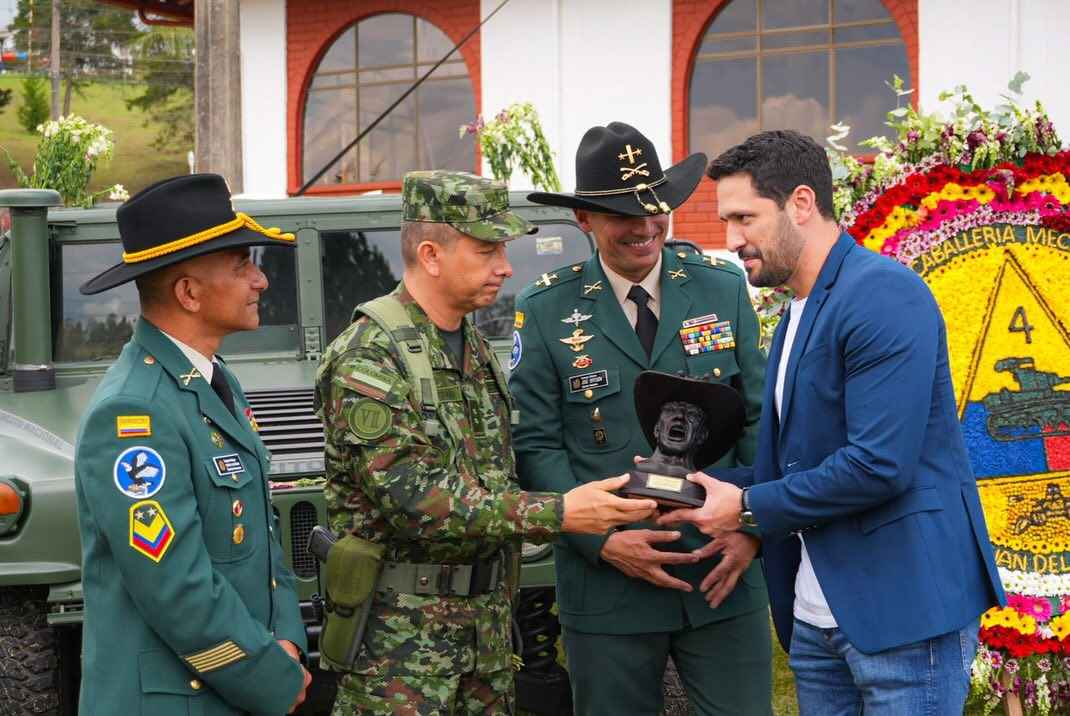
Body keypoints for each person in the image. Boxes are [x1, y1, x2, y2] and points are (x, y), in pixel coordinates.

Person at [659, 130, 1005, 715]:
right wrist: (701, 488)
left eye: (744, 217)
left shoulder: (883, 295)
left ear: (801, 202)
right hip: (817, 615)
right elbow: (801, 462)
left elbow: (878, 466)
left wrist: (745, 510)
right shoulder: (798, 305)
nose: (731, 239)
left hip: (903, 615)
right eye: (726, 220)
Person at [315, 170, 657, 715]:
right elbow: (415, 499)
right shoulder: (369, 356)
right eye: (486, 250)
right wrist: (562, 511)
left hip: (484, 640)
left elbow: (492, 471)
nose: (505, 266)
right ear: (431, 255)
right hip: (401, 654)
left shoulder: (470, 343)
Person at [511, 122, 771, 716]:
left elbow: (761, 421)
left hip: (721, 570)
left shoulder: (720, 288)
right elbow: (536, 446)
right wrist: (603, 543)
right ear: (584, 220)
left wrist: (751, 528)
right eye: (624, 215)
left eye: (655, 210)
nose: (646, 228)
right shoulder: (545, 309)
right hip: (607, 589)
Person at [74, 174, 312, 715]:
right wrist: (270, 674)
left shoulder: (212, 380)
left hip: (233, 688)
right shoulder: (133, 411)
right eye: (241, 266)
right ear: (189, 292)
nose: (260, 281)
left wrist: (288, 640)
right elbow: (175, 588)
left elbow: (262, 536)